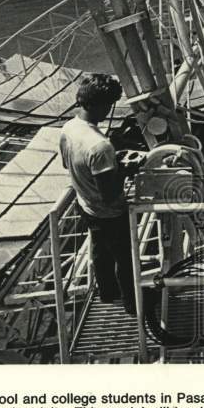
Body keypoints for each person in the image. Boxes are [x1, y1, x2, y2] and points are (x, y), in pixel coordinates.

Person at [59, 73, 138, 315]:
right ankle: (133, 305)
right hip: (110, 213)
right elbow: (110, 195)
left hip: (86, 204)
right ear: (103, 106)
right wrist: (125, 170)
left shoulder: (68, 128)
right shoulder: (100, 146)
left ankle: (107, 293)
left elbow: (67, 165)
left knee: (101, 252)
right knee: (126, 259)